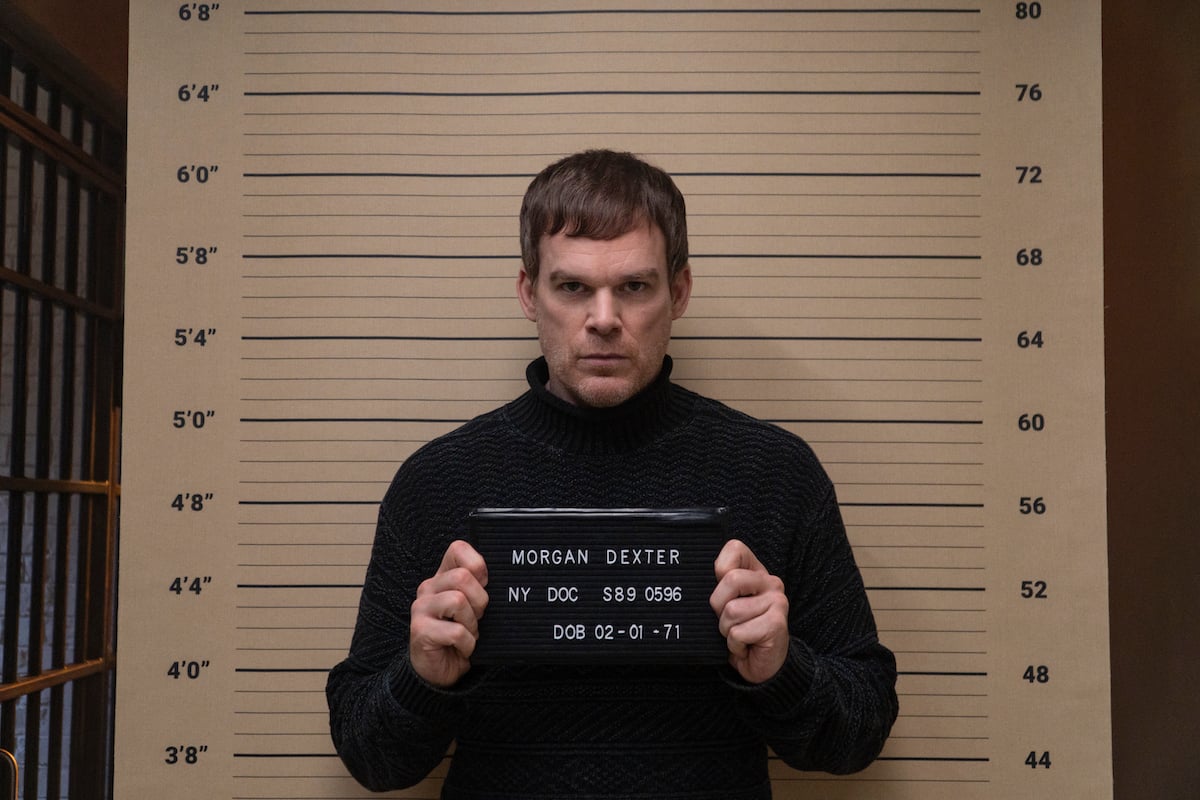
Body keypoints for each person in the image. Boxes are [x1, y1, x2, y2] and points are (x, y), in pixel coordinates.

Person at [326, 149, 898, 799]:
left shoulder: (775, 473)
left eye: (634, 287)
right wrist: (422, 677)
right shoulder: (437, 481)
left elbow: (862, 730)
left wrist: (781, 668)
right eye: (572, 287)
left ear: (679, 292)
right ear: (529, 294)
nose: (603, 319)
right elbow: (368, 756)